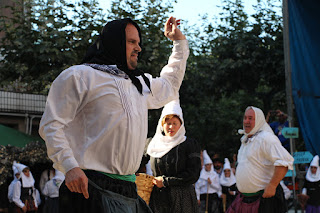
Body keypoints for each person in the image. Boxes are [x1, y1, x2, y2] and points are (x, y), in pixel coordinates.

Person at [39, 16, 189, 213]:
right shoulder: (79, 76)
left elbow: (170, 86)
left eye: (139, 43)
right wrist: (70, 167)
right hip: (89, 188)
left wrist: (179, 43)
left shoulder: (139, 83)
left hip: (128, 189)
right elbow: (52, 125)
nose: (138, 48)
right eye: (131, 42)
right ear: (114, 43)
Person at [226, 106, 294, 213]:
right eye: (245, 118)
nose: (246, 121)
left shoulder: (267, 138)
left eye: (250, 118)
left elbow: (284, 162)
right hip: (243, 198)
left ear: (258, 121)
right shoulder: (245, 140)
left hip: (264, 201)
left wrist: (272, 185)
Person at [147, 99, 201, 213]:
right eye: (168, 123)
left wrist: (167, 181)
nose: (171, 127)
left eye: (174, 123)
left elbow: (193, 174)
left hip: (182, 198)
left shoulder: (189, 144)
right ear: (162, 124)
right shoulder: (153, 144)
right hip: (158, 199)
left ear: (180, 125)